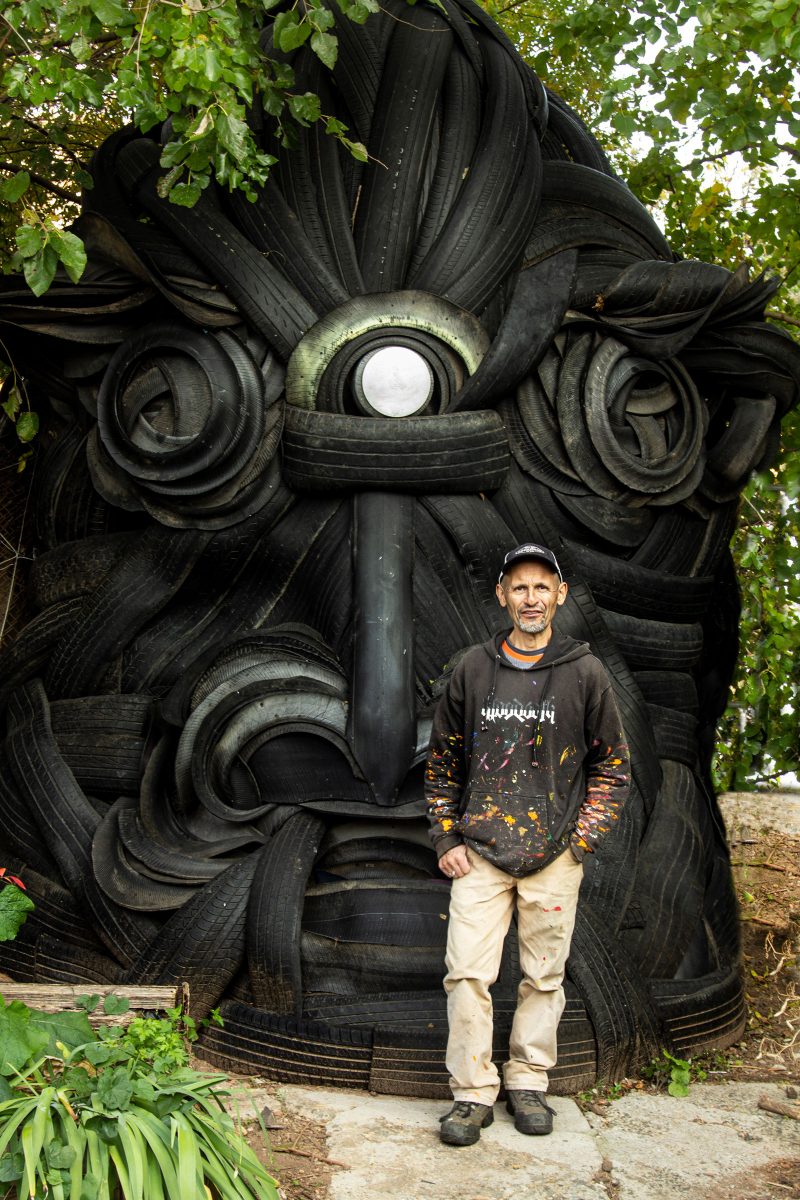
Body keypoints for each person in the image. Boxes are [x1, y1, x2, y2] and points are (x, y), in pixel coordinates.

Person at [425, 542, 630, 1146]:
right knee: (467, 975)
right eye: (520, 587)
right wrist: (445, 838)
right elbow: (442, 764)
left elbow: (613, 768)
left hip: (554, 858)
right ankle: (471, 1094)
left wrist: (581, 841)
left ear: (560, 596)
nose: (531, 598)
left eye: (543, 587)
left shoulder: (585, 672)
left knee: (544, 978)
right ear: (502, 596)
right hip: (480, 855)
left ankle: (529, 1081)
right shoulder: (472, 668)